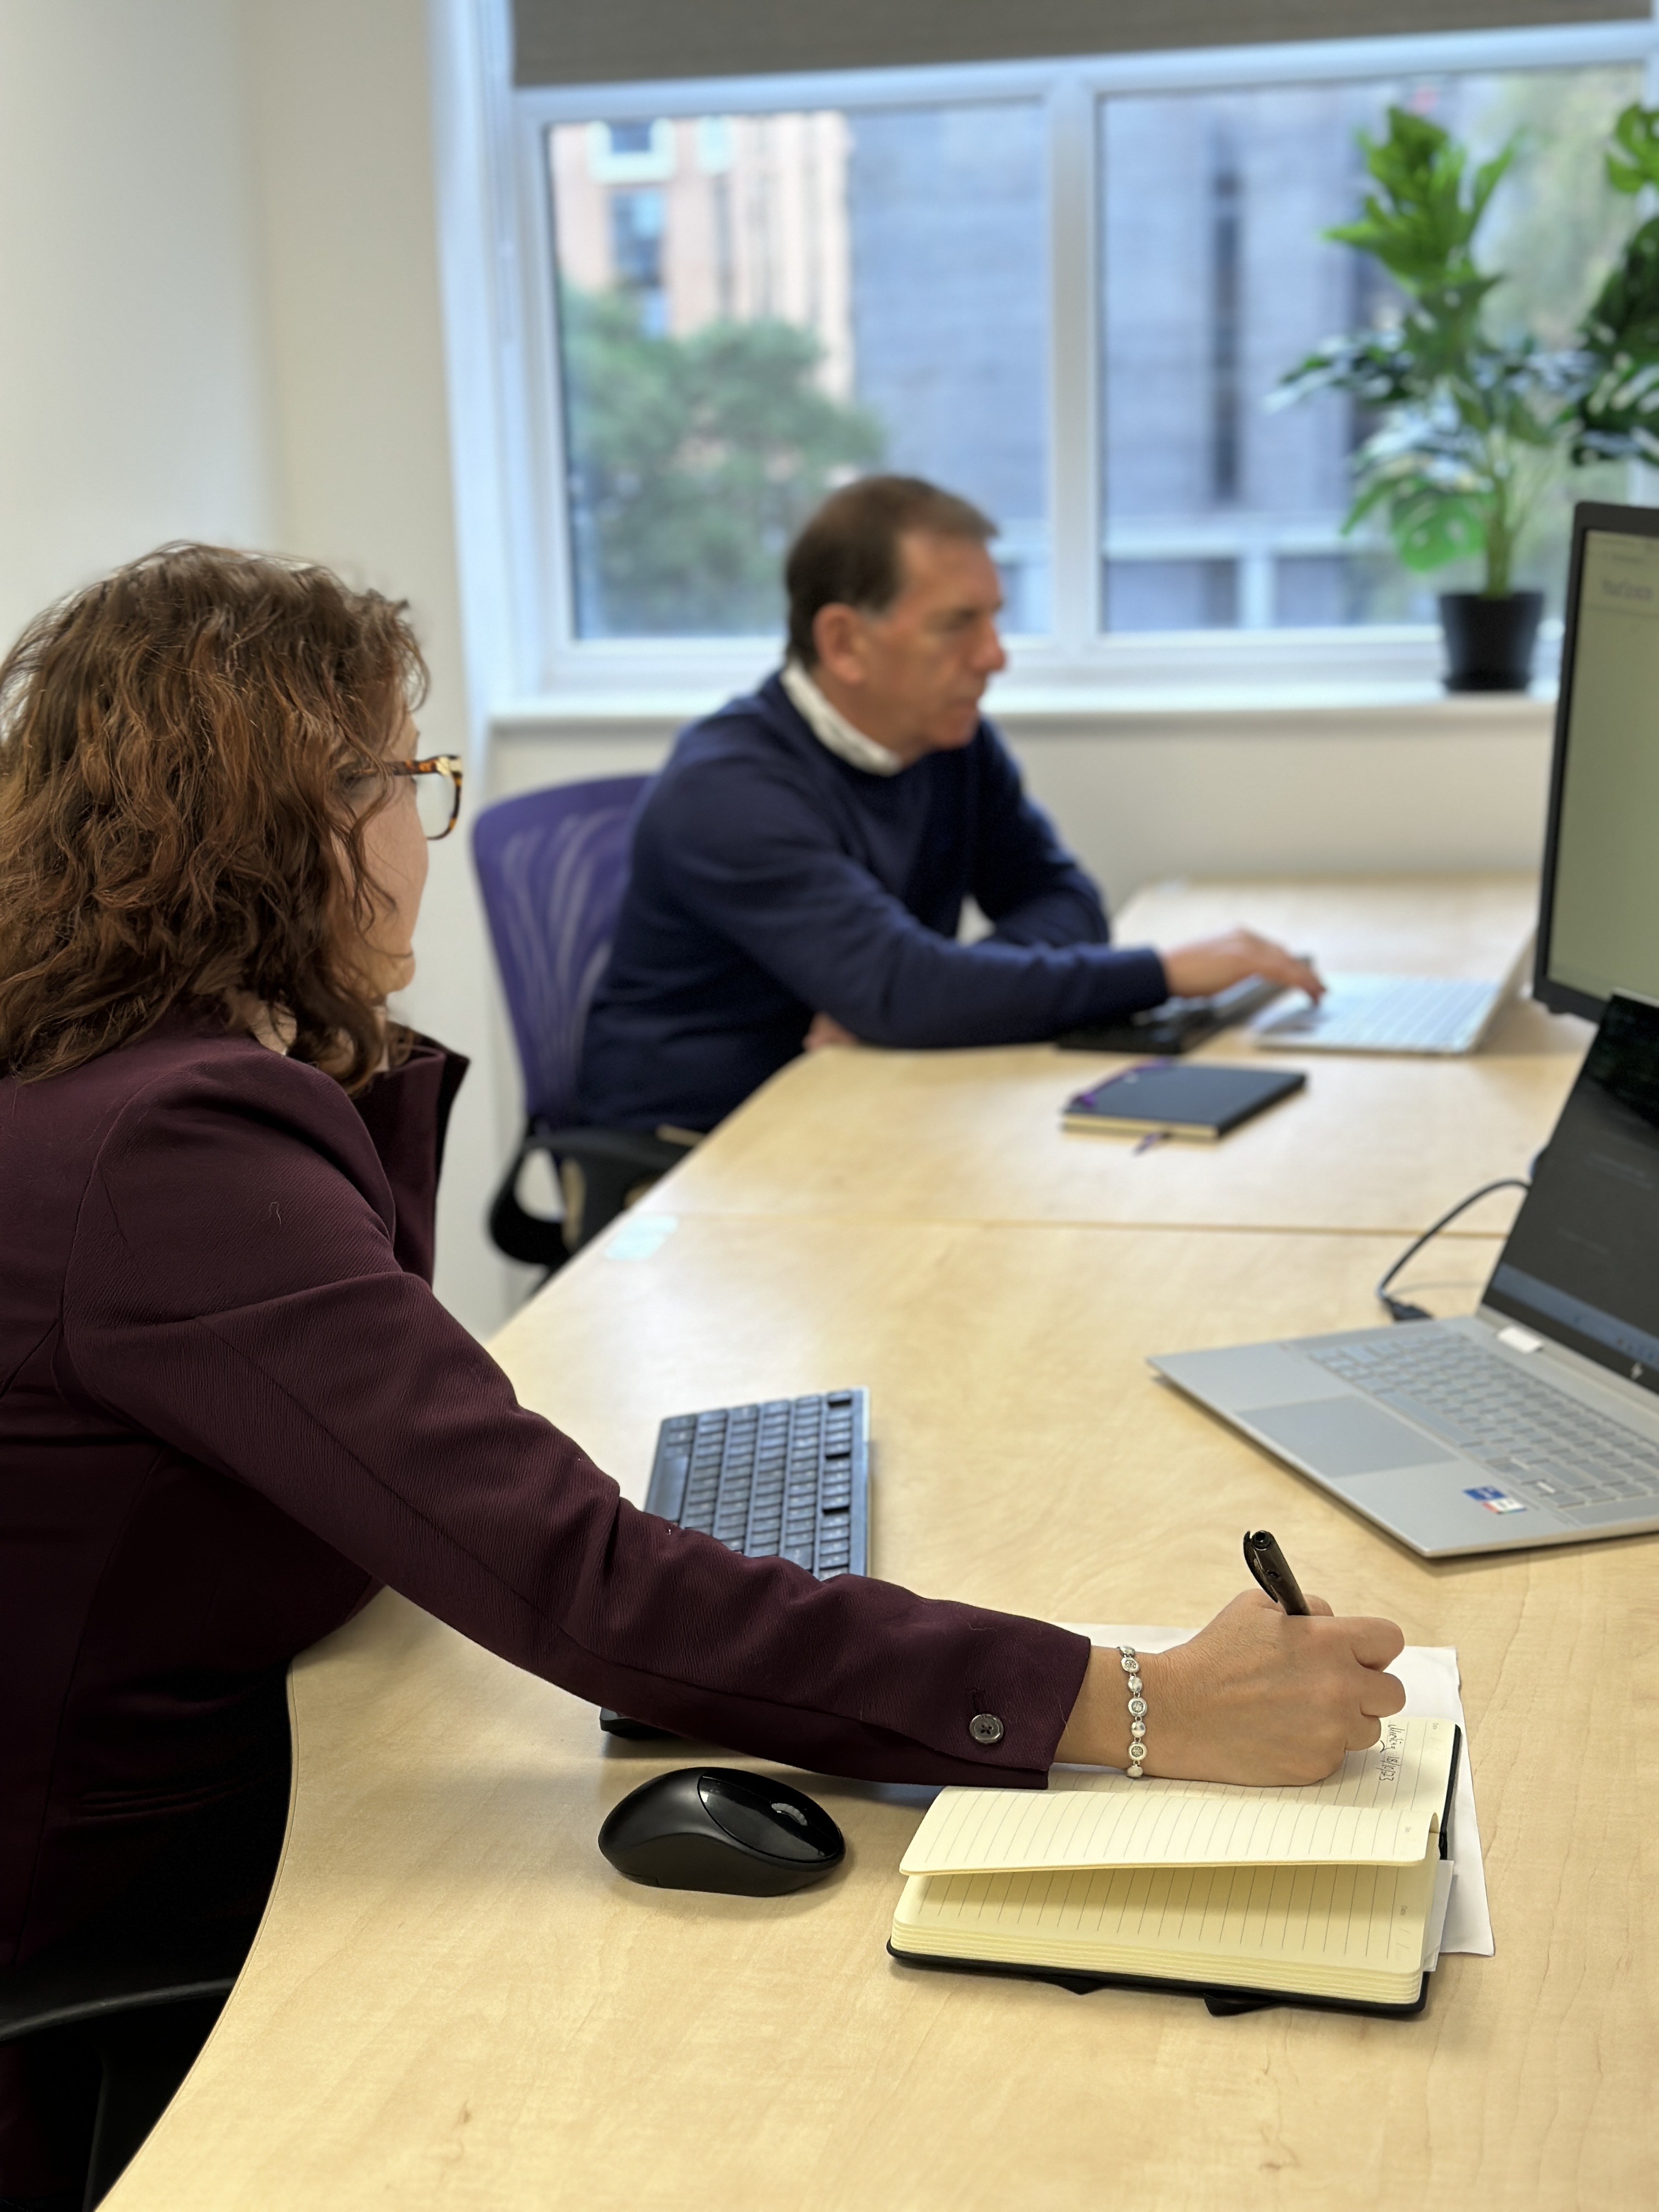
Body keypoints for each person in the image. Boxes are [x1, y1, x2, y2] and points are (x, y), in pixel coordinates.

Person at [0, 546, 1397, 2201]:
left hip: (227, 1734)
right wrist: (1139, 1703)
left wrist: (324, 1038)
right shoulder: (176, 1152)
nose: (418, 838)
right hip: (117, 1873)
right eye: (407, 784)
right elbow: (587, 1587)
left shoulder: (122, 1065)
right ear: (296, 821)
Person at [577, 475, 1322, 1134]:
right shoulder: (730, 789)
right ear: (843, 643)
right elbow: (908, 992)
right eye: (957, 624)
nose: (995, 655)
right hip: (697, 1150)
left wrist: (940, 991)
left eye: (994, 619)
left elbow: (1064, 899)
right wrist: (1161, 972)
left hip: (866, 1104)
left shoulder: (950, 741)